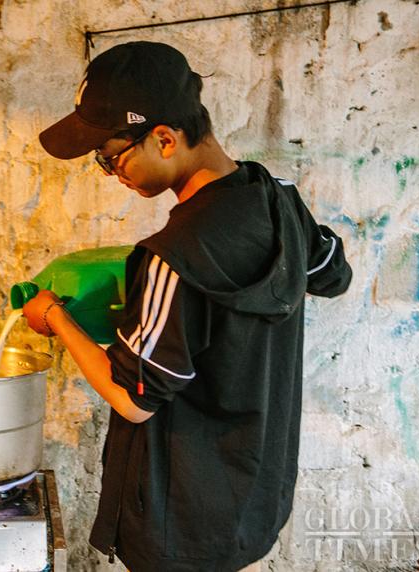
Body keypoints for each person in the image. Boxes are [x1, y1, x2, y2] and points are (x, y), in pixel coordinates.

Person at [22, 41, 352, 572]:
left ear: (165, 138)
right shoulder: (279, 199)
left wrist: (55, 318)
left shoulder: (172, 259)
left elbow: (133, 397)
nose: (111, 172)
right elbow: (332, 274)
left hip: (178, 516)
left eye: (109, 157)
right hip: (252, 495)